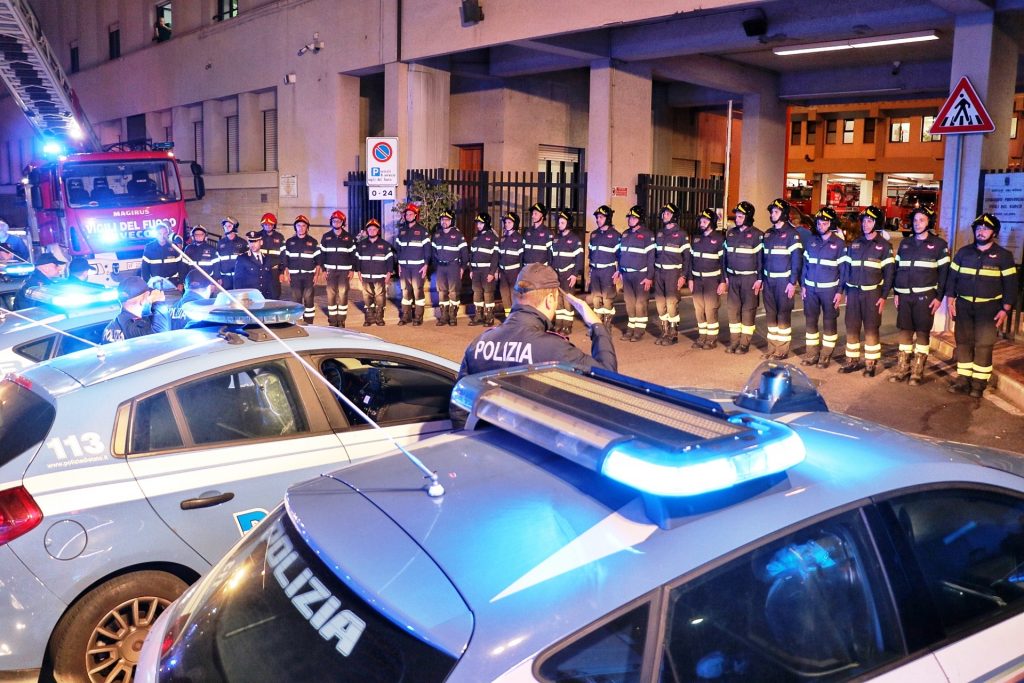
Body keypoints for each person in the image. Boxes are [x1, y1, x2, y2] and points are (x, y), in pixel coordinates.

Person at [458, 263, 617, 378]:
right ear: (549, 300)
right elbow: (607, 376)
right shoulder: (555, 349)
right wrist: (597, 326)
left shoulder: (478, 343)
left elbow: (460, 404)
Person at [944, 213, 1018, 398]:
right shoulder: (963, 253)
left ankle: (978, 384)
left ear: (994, 232)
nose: (981, 231)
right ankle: (963, 380)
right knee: (963, 343)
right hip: (965, 306)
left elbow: (1011, 285)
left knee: (983, 346)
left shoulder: (1004, 256)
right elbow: (952, 278)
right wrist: (950, 299)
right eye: (978, 228)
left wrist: (1005, 309)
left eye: (986, 228)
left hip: (989, 309)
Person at [890, 207, 949, 385]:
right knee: (905, 332)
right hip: (905, 296)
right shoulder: (905, 243)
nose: (917, 224)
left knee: (922, 333)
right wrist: (897, 292)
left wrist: (939, 297)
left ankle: (917, 371)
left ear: (928, 222)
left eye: (921, 220)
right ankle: (903, 368)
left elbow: (944, 273)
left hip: (925, 296)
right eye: (915, 221)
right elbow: (897, 269)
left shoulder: (939, 245)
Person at [839, 206, 894, 377]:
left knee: (871, 329)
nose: (865, 224)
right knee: (852, 327)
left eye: (869, 221)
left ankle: (870, 364)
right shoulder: (855, 243)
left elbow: (890, 273)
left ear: (877, 223)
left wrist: (884, 296)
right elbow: (847, 269)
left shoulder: (884, 246)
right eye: (864, 221)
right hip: (854, 293)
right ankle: (852, 360)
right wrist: (846, 291)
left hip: (873, 295)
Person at [800, 207, 846, 369]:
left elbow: (843, 270)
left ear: (831, 224)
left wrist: (840, 291)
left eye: (825, 222)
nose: (821, 225)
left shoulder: (839, 244)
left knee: (829, 322)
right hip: (811, 290)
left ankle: (826, 355)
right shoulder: (811, 241)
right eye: (819, 222)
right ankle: (812, 354)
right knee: (811, 322)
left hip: (830, 291)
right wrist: (803, 285)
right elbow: (805, 265)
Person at [761, 198, 803, 359]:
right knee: (771, 315)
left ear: (784, 214)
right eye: (772, 212)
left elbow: (796, 260)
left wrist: (793, 282)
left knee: (783, 315)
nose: (773, 214)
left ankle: (782, 350)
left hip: (784, 283)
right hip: (769, 281)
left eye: (776, 211)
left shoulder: (793, 235)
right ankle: (772, 348)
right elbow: (763, 258)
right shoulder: (769, 233)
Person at [723, 201, 763, 354]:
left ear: (748, 217)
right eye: (736, 216)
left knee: (748, 311)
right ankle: (734, 342)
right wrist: (725, 276)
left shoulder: (757, 235)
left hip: (750, 279)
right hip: (733, 278)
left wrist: (760, 279)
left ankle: (744, 343)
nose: (737, 219)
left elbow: (761, 259)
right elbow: (725, 256)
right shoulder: (731, 233)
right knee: (733, 310)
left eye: (740, 216)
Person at [616, 205, 656, 342]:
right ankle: (630, 328)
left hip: (641, 275)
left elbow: (651, 258)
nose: (630, 220)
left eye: (633, 218)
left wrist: (649, 277)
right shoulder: (625, 234)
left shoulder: (648, 235)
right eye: (629, 217)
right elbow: (621, 254)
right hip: (627, 275)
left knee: (640, 304)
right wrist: (620, 270)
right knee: (629, 303)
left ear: (640, 219)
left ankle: (639, 330)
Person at [688, 208, 727, 350]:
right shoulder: (696, 238)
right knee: (699, 309)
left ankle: (711, 338)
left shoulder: (719, 239)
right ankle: (702, 336)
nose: (702, 223)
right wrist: (690, 279)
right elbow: (691, 260)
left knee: (711, 310)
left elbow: (724, 262)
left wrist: (723, 281)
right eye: (701, 221)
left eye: (705, 221)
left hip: (712, 280)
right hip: (697, 280)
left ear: (712, 223)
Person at [652, 203, 688, 345]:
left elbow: (687, 258)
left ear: (674, 216)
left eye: (667, 213)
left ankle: (673, 334)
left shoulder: (681, 234)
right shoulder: (660, 233)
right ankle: (664, 331)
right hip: (659, 273)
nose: (664, 216)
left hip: (673, 273)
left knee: (671, 303)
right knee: (660, 304)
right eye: (664, 213)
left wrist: (683, 276)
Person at [394, 203, 431, 325]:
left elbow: (427, 250)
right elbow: (398, 250)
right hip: (404, 267)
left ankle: (418, 317)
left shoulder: (422, 231)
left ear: (416, 215)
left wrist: (426, 265)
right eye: (407, 214)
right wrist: (399, 265)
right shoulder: (402, 231)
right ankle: (406, 316)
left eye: (411, 214)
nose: (408, 216)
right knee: (405, 291)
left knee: (418, 291)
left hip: (417, 267)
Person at [320, 210, 358, 327]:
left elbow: (354, 255)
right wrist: (323, 270)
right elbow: (322, 255)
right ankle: (332, 319)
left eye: (339, 221)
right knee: (331, 294)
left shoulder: (349, 237)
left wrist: (352, 270)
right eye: (334, 221)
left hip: (344, 271)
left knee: (343, 294)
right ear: (331, 222)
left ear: (343, 223)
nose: (336, 223)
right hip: (330, 271)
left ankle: (341, 319)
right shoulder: (326, 237)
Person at [432, 209, 469, 326]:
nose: (444, 222)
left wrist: (462, 268)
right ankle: (443, 316)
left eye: (447, 220)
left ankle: (453, 316)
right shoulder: (437, 234)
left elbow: (464, 253)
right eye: (443, 220)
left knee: (453, 292)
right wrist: (436, 266)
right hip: (441, 267)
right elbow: (433, 252)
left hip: (453, 267)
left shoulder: (458, 235)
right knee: (442, 292)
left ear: (452, 221)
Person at [282, 215, 321, 324]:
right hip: (294, 277)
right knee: (296, 300)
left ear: (307, 227)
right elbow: (285, 260)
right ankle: (297, 321)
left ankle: (309, 322)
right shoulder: (290, 242)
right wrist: (286, 273)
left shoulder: (313, 242)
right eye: (298, 225)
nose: (301, 228)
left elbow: (318, 262)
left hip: (309, 276)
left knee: (309, 300)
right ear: (295, 227)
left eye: (303, 226)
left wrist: (316, 275)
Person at [550, 209, 584, 334]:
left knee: (567, 300)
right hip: (557, 274)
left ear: (568, 224)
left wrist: (575, 274)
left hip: (568, 274)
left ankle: (567, 325)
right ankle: (559, 324)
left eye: (562, 222)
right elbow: (552, 256)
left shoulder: (575, 240)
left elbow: (579, 258)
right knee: (558, 300)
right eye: (559, 222)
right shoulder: (556, 238)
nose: (559, 224)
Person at [101, 275, 164, 343]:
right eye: (149, 295)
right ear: (143, 300)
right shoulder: (133, 326)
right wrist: (159, 303)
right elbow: (162, 336)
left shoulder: (111, 326)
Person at [356, 218, 394, 326]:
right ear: (367, 230)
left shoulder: (385, 245)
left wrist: (388, 273)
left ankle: (379, 318)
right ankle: (369, 319)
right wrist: (358, 271)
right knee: (367, 297)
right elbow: (357, 259)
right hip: (366, 275)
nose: (372, 231)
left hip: (380, 276)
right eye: (370, 229)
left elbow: (390, 260)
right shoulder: (361, 245)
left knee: (380, 297)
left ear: (378, 231)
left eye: (374, 229)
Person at [587, 205, 619, 331]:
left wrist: (618, 272)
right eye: (597, 217)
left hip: (608, 271)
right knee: (596, 299)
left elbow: (620, 256)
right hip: (595, 271)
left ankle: (607, 325)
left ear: (608, 218)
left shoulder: (616, 236)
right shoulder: (594, 235)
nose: (598, 220)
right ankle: (598, 324)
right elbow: (591, 254)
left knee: (607, 300)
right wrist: (589, 272)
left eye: (601, 217)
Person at [467, 212, 499, 327]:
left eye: (481, 223)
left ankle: (489, 317)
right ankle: (478, 316)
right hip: (476, 271)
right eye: (477, 223)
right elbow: (471, 255)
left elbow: (495, 256)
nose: (478, 225)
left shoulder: (492, 237)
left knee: (488, 293)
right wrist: (471, 269)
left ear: (486, 223)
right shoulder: (475, 237)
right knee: (477, 293)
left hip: (486, 270)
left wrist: (492, 273)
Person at [496, 211, 525, 321]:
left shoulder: (519, 239)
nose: (506, 224)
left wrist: (521, 273)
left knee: (514, 296)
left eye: (509, 222)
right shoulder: (503, 239)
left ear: (515, 224)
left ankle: (516, 318)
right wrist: (498, 270)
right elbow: (499, 256)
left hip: (514, 272)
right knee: (505, 296)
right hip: (503, 273)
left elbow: (522, 257)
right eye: (506, 222)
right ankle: (508, 318)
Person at [140, 223, 184, 289]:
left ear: (168, 234)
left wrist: (181, 283)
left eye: (165, 233)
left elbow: (181, 266)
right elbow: (144, 269)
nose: (162, 236)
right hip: (156, 284)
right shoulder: (149, 248)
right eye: (159, 233)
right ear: (156, 235)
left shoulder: (174, 247)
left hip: (173, 282)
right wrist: (147, 284)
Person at [234, 231, 273, 297]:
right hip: (249, 297)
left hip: (264, 296)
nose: (252, 245)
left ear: (261, 242)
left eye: (255, 241)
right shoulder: (242, 258)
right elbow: (238, 281)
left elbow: (269, 280)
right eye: (250, 242)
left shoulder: (267, 258)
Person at [260, 213, 287, 298]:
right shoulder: (258, 236)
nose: (268, 226)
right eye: (266, 224)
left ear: (274, 225)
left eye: (270, 224)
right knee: (261, 294)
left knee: (275, 295)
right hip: (261, 271)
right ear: (263, 225)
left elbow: (283, 256)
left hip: (274, 271)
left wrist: (282, 272)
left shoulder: (280, 237)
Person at [215, 216, 246, 289]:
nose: (226, 228)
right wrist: (218, 277)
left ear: (234, 227)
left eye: (229, 226)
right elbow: (217, 261)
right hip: (225, 279)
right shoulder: (220, 243)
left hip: (239, 277)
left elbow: (247, 261)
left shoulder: (243, 242)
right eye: (225, 226)